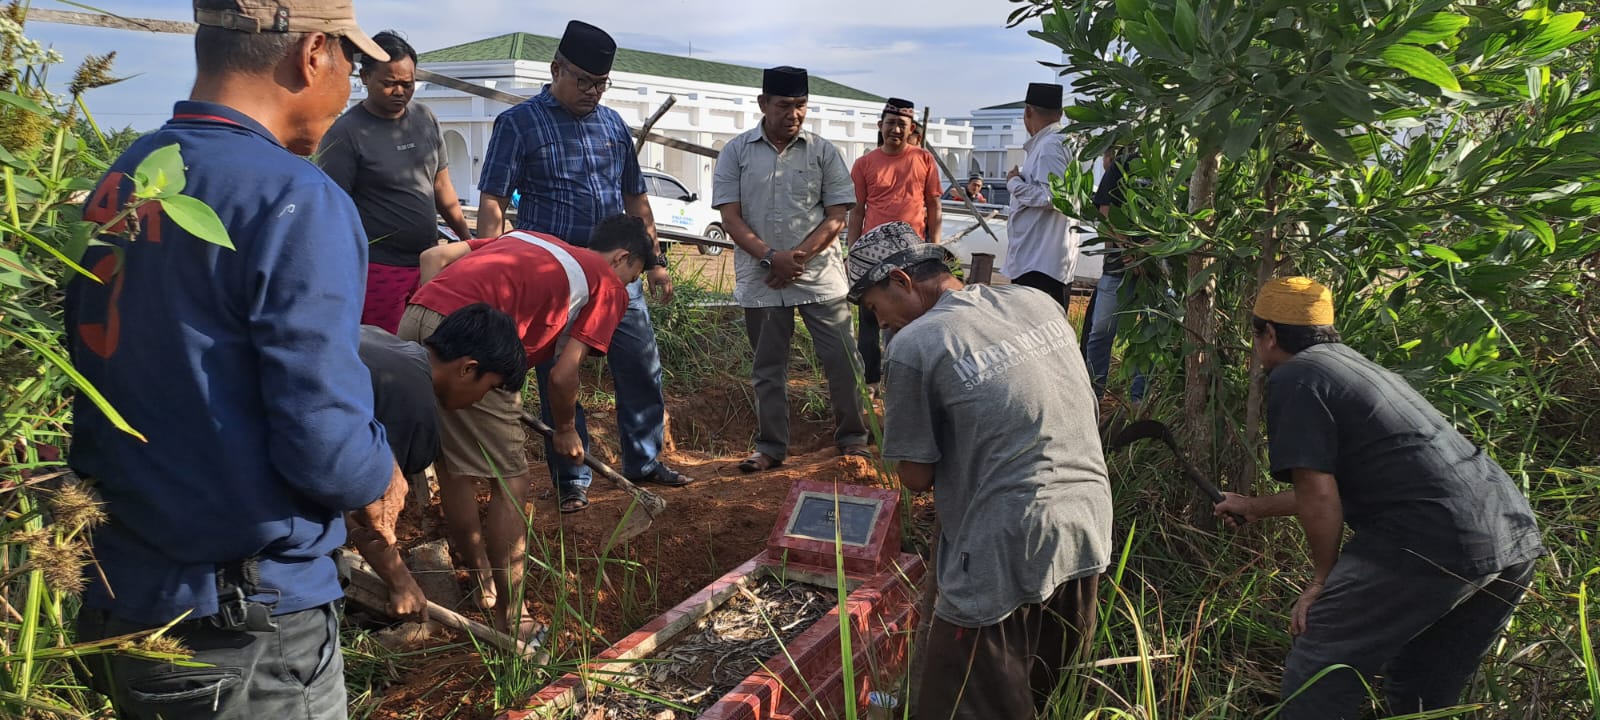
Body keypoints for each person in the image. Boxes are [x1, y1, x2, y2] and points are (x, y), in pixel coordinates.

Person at [66, 2, 396, 718]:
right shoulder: (293, 198)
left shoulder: (124, 179)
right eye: (353, 63)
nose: (350, 86)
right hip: (241, 632)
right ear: (314, 53)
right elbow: (328, 449)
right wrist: (380, 469)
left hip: (122, 596)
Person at [1214, 277, 1545, 720]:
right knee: (1423, 685)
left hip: (1430, 538)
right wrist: (1255, 507)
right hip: (1509, 533)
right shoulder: (1352, 366)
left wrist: (1319, 582)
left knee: (1318, 668)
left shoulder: (1295, 375)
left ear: (1269, 334)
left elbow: (1319, 495)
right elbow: (1338, 484)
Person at [846, 221, 1113, 719]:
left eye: (874, 308)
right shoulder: (1035, 300)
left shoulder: (916, 345)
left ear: (901, 280)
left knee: (956, 703)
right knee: (1038, 693)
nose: (880, 323)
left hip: (1004, 543)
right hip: (1087, 524)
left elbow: (917, 476)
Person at [397, 213, 652, 633]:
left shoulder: (532, 238)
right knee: (510, 479)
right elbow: (563, 374)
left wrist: (436, 320)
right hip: (477, 349)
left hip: (419, 313)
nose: (626, 286)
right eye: (632, 277)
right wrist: (567, 429)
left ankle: (483, 582)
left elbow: (434, 255)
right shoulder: (606, 283)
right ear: (622, 258)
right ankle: (511, 616)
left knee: (455, 470)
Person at [475, 20, 691, 511]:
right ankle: (571, 477)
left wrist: (655, 262)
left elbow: (636, 197)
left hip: (618, 277)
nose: (593, 92)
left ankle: (643, 459)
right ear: (556, 70)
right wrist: (487, 265)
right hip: (554, 282)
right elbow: (493, 200)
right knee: (558, 373)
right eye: (583, 82)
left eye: (601, 84)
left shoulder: (613, 125)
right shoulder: (519, 124)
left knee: (640, 366)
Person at [712, 66, 870, 473]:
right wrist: (770, 257)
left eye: (801, 106)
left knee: (843, 359)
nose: (794, 114)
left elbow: (836, 215)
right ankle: (770, 447)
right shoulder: (737, 152)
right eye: (784, 105)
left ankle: (853, 439)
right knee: (768, 367)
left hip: (818, 277)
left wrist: (795, 257)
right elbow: (730, 217)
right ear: (763, 104)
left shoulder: (822, 150)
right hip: (763, 279)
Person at [351, 304, 527, 623]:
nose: (478, 401)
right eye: (487, 389)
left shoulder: (385, 342)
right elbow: (371, 513)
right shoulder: (413, 402)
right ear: (467, 369)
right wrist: (401, 583)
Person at [319, 31, 473, 333]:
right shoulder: (346, 133)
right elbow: (333, 209)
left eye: (408, 83)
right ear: (364, 77)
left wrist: (468, 240)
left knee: (427, 347)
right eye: (389, 83)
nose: (400, 91)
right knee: (384, 352)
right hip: (378, 269)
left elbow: (442, 187)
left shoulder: (425, 118)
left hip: (431, 261)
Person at [847, 97, 942, 389]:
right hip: (872, 252)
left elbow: (934, 205)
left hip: (911, 253)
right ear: (880, 126)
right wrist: (852, 253)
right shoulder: (864, 164)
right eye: (890, 123)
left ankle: (902, 381)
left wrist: (935, 248)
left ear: (911, 127)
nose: (896, 130)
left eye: (902, 125)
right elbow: (857, 210)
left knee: (908, 318)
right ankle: (871, 383)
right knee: (870, 318)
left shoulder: (923, 159)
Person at [1004, 82, 1078, 313]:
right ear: (1061, 113)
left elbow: (1055, 198)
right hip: (1041, 260)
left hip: (1040, 264)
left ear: (1028, 112)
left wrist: (1014, 183)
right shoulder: (1059, 141)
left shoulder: (1050, 146)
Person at [1083, 147, 1146, 402]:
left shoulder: (1175, 164)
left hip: (1157, 274)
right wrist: (1128, 249)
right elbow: (1104, 213)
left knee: (1150, 337)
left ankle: (1139, 402)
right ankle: (1092, 398)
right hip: (1117, 269)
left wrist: (1151, 252)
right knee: (1100, 332)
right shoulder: (1123, 164)